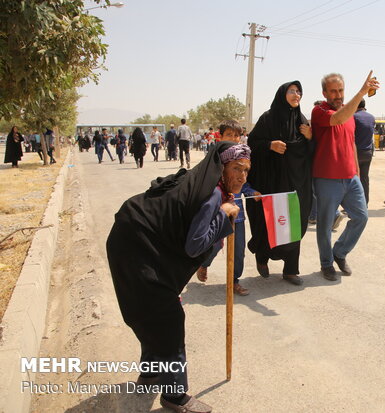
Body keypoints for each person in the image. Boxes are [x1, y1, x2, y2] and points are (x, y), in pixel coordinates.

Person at [107, 141, 249, 413]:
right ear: (221, 168)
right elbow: (195, 244)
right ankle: (174, 395)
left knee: (152, 313)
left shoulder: (207, 184)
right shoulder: (212, 196)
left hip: (131, 240)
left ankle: (150, 374)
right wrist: (222, 214)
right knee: (167, 319)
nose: (242, 176)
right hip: (137, 249)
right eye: (236, 168)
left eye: (246, 170)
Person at [311, 71, 379, 281]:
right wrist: (361, 92)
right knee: (325, 224)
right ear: (324, 93)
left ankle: (339, 253)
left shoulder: (349, 114)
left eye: (340, 90)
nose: (338, 94)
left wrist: (357, 171)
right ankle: (326, 264)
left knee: (361, 217)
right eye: (333, 91)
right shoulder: (319, 110)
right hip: (327, 178)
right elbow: (336, 119)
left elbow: (351, 143)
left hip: (351, 177)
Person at [246, 81, 313, 286]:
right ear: (282, 94)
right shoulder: (268, 118)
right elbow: (252, 143)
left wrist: (310, 138)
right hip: (270, 181)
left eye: (299, 91)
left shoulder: (302, 121)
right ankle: (262, 257)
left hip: (295, 183)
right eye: (292, 91)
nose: (296, 95)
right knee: (268, 221)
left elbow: (308, 153)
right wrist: (270, 145)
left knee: (293, 222)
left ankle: (291, 270)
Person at [196, 121, 260, 294]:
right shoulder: (213, 159)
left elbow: (242, 181)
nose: (233, 138)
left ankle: (234, 281)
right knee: (214, 246)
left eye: (236, 135)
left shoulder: (242, 156)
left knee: (238, 251)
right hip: (217, 213)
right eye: (229, 135)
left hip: (237, 215)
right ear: (220, 136)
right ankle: (203, 263)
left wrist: (251, 192)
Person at [353, 98, 375, 205]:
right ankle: (365, 203)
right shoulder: (371, 117)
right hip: (368, 153)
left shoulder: (353, 117)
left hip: (356, 153)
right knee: (365, 179)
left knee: (353, 180)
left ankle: (355, 205)